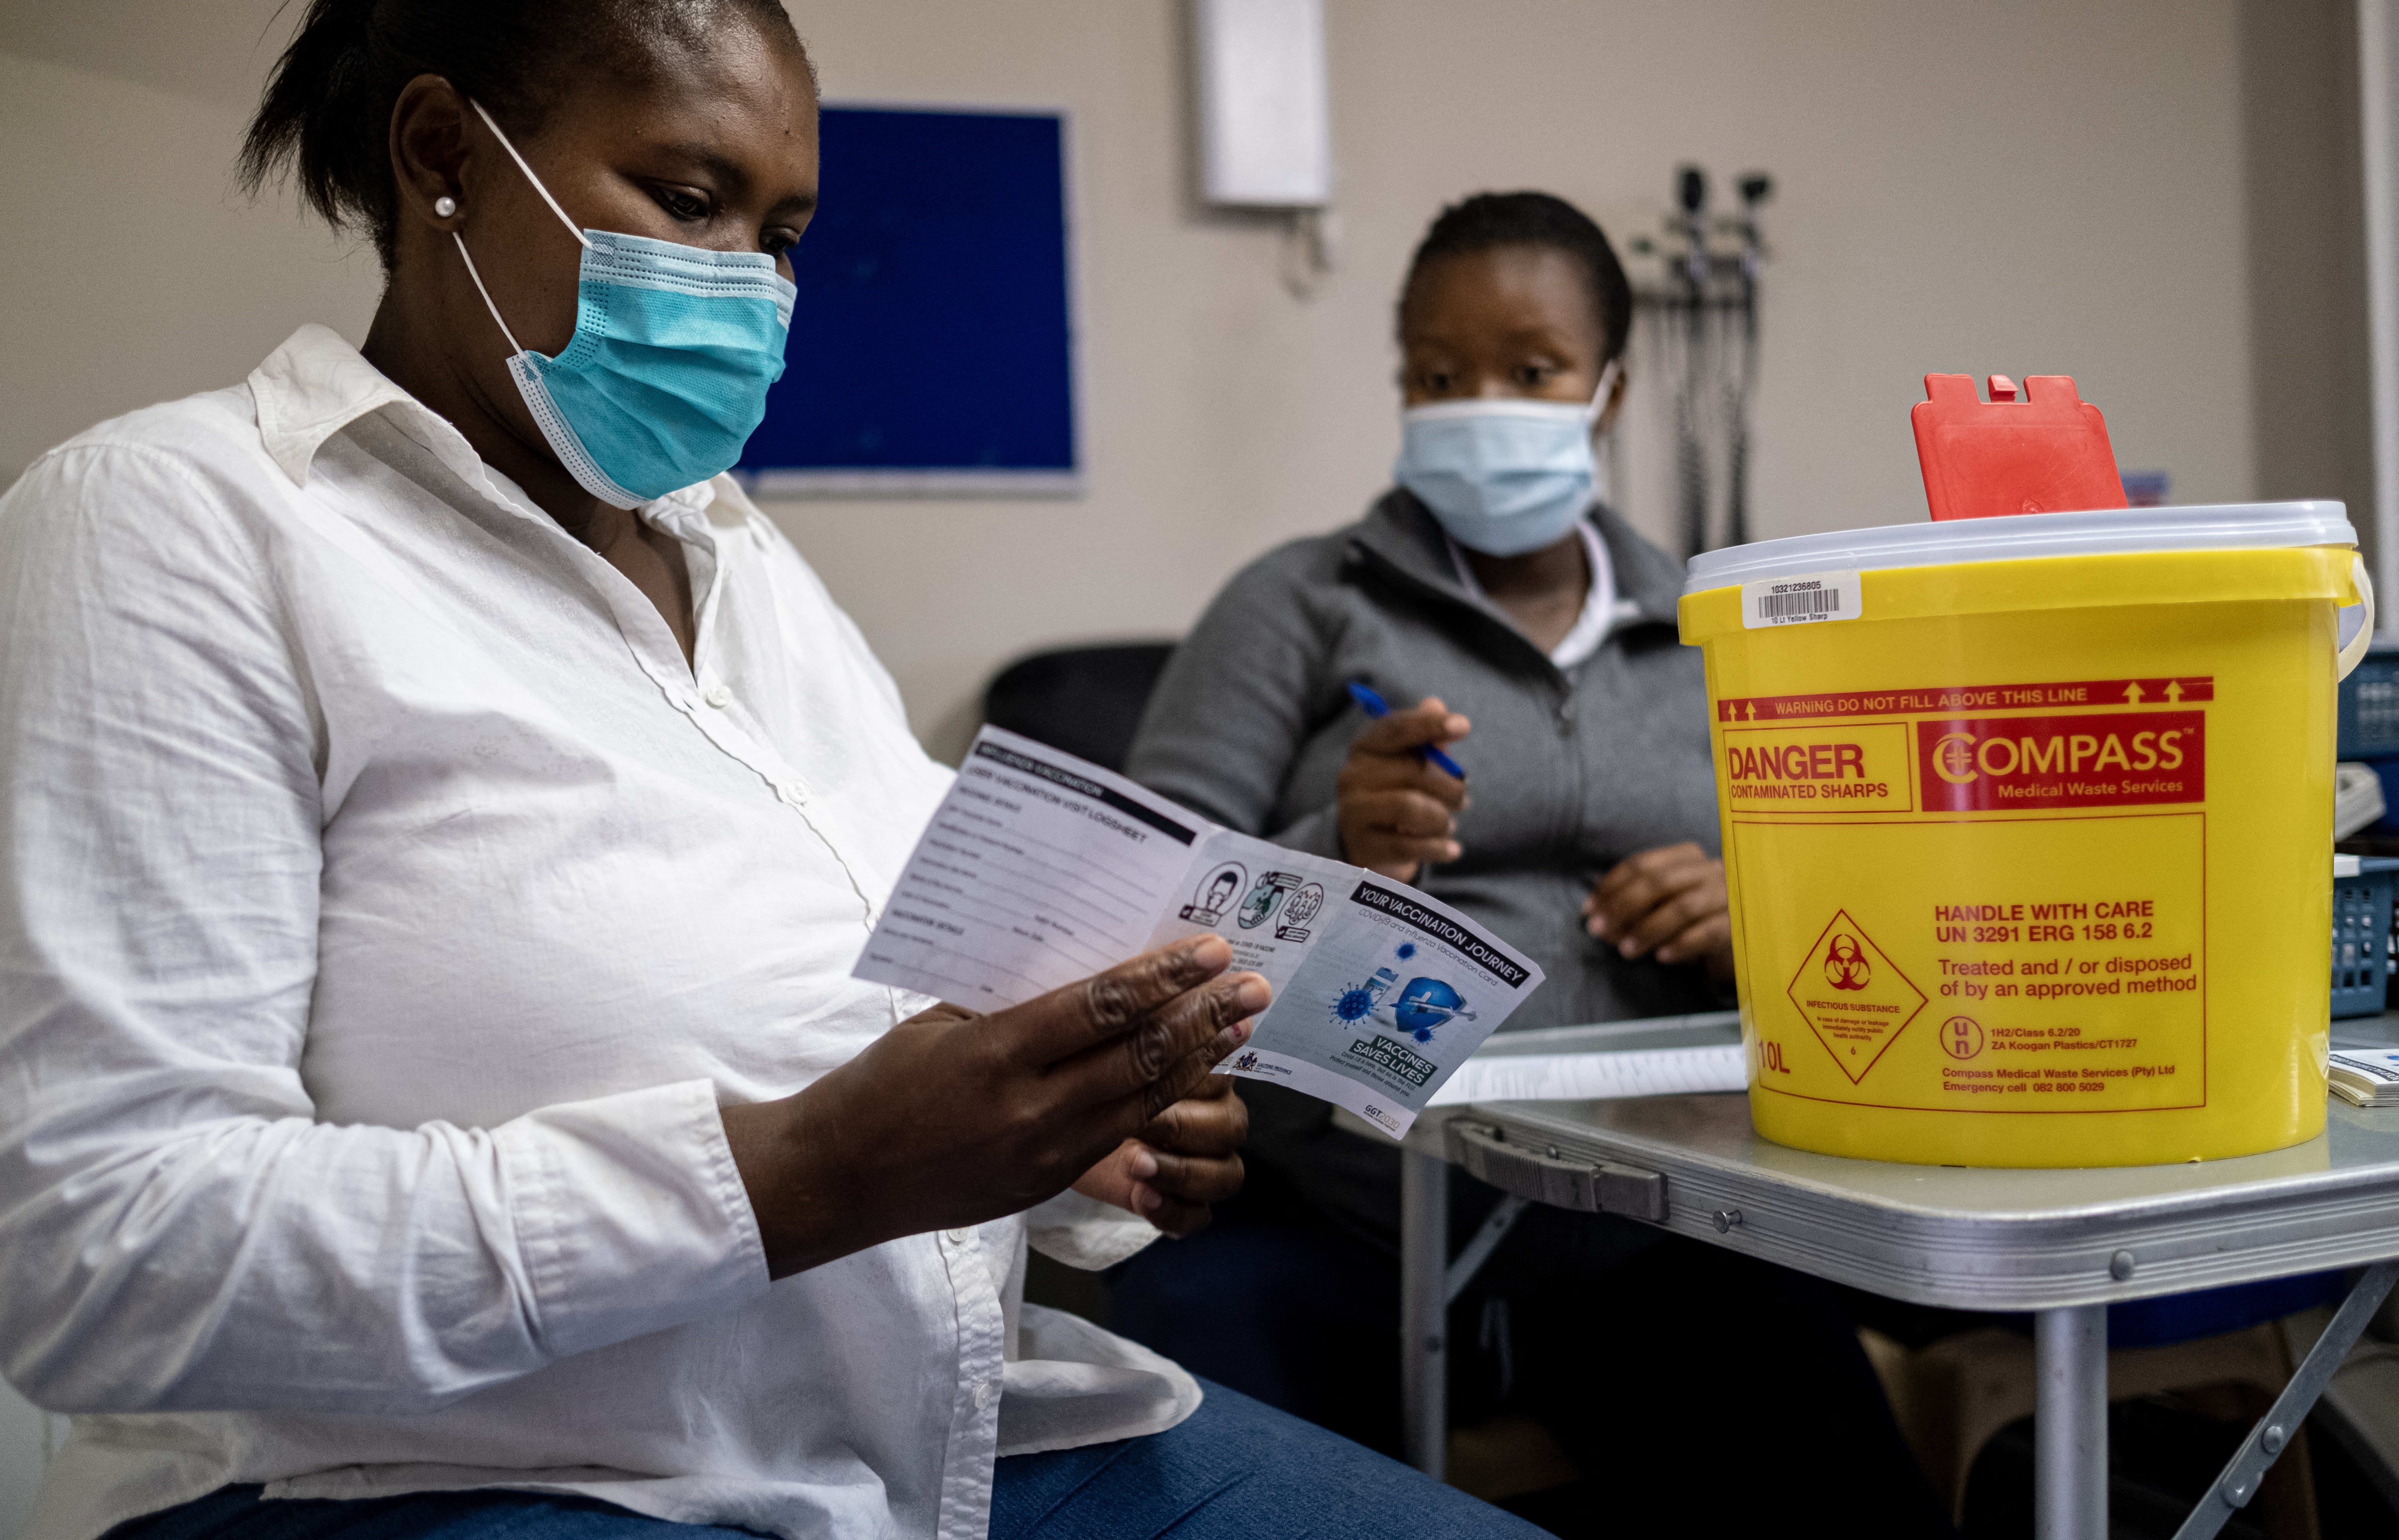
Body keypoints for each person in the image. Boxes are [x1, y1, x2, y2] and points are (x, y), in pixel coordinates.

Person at [0, 7, 1550, 1540]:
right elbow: (100, 1252)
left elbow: (902, 1020)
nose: (748, 282)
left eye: (783, 231)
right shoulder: (178, 528)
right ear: (441, 153)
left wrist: (1080, 1136)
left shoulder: (750, 569)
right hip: (419, 1482)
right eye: (688, 201)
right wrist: (802, 1175)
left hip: (925, 1445)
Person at [1112, 193, 1953, 1536]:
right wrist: (1342, 848)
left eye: (1532, 369)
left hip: (1659, 1237)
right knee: (1167, 1424)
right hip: (1342, 1236)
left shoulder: (1715, 626)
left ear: (1610, 392)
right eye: (1439, 376)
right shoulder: (1299, 601)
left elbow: (1864, 919)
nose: (1479, 404)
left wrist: (1757, 911)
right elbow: (1138, 919)